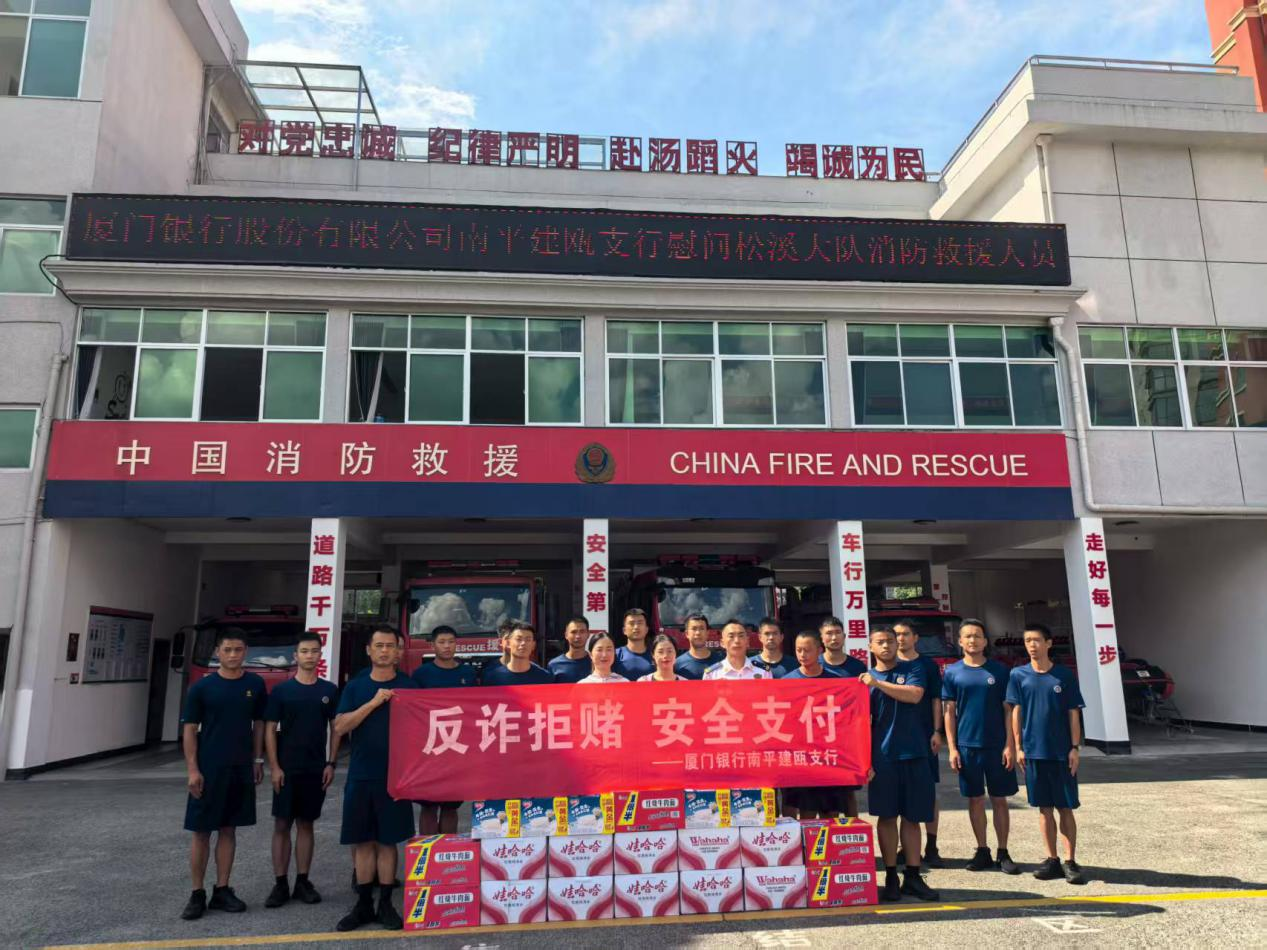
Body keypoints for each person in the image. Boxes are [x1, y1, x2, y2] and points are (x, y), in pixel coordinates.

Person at [333, 625, 417, 932]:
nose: (384, 651)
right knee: (363, 841)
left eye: (390, 646)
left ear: (398, 651)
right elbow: (340, 726)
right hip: (361, 774)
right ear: (369, 650)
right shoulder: (356, 687)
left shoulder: (410, 686)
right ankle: (363, 903)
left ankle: (386, 904)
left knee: (387, 841)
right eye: (378, 646)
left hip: (396, 778)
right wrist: (374, 702)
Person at [179, 628, 267, 920]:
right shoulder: (202, 688)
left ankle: (222, 889)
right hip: (209, 769)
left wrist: (257, 759)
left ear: (245, 652)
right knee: (201, 832)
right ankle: (197, 893)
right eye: (227, 650)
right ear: (217, 652)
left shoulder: (255, 684)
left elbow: (259, 724)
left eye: (238, 650)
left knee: (229, 829)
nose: (232, 655)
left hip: (240, 768)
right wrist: (193, 769)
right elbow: (190, 729)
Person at [262, 632, 341, 909]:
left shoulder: (329, 690)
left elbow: (336, 728)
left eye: (314, 651)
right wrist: (274, 767)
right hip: (286, 769)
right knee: (282, 824)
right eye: (304, 651)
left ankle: (303, 881)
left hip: (315, 768)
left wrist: (331, 762)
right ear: (295, 656)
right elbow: (270, 729)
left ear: (320, 655)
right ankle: (280, 883)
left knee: (307, 824)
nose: (309, 656)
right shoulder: (282, 691)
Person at [860, 626, 938, 902]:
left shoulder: (913, 668)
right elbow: (860, 724)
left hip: (915, 753)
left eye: (890, 641)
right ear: (870, 647)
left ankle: (913, 876)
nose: (886, 646)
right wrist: (864, 760)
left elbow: (914, 695)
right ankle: (891, 875)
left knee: (913, 817)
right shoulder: (863, 682)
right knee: (886, 817)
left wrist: (878, 684)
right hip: (882, 758)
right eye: (880, 642)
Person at [1006, 622, 1087, 885]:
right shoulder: (1018, 675)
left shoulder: (1064, 675)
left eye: (1037, 640)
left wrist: (1074, 747)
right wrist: (1019, 747)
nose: (1032, 645)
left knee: (1065, 807)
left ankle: (1070, 861)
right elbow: (1016, 712)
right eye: (1027, 640)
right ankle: (1052, 859)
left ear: (1049, 643)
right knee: (1044, 808)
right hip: (1033, 752)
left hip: (1061, 752)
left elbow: (1073, 713)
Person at [942, 619, 1019, 874]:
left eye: (977, 636)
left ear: (985, 641)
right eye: (967, 636)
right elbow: (949, 711)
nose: (972, 640)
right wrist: (952, 748)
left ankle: (1003, 851)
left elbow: (1008, 710)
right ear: (960, 641)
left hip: (997, 746)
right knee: (975, 799)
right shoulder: (952, 672)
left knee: (999, 799)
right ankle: (982, 850)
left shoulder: (1000, 671)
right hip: (967, 746)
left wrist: (1010, 745)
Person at [410, 626, 478, 836]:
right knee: (428, 806)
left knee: (451, 806)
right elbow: (412, 709)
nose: (447, 646)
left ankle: (447, 849)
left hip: (457, 748)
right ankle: (428, 850)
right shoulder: (421, 674)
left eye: (451, 642)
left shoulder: (468, 673)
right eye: (442, 642)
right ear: (433, 645)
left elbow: (475, 708)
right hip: (430, 747)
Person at [895, 621, 944, 868]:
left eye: (905, 634)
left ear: (915, 638)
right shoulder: (886, 664)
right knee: (899, 794)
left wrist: (937, 731)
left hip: (923, 737)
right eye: (896, 634)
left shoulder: (928, 665)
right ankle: (904, 847)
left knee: (928, 792)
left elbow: (936, 699)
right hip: (895, 741)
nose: (900, 638)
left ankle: (932, 846)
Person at [782, 631, 844, 820]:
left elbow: (845, 720)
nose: (802, 654)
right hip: (800, 758)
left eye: (807, 650)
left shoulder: (835, 681)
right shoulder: (786, 682)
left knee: (830, 814)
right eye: (798, 650)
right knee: (806, 813)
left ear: (819, 650)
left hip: (828, 757)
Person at [818, 615, 865, 818]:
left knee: (848, 792)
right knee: (825, 794)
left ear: (844, 636)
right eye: (829, 633)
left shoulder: (857, 667)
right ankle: (827, 835)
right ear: (821, 638)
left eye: (837, 633)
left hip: (847, 737)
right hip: (820, 736)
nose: (834, 637)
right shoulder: (815, 664)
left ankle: (853, 834)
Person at [480, 622, 556, 685]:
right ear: (508, 643)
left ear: (533, 645)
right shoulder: (493, 677)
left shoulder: (545, 677)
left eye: (528, 639)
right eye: (518, 639)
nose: (523, 643)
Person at [703, 620, 767, 680]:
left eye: (741, 636)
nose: (737, 641)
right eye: (731, 636)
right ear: (722, 643)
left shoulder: (763, 671)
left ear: (747, 642)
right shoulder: (712, 675)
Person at [673, 613, 721, 680]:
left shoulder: (720, 661)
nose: (698, 633)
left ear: (707, 633)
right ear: (687, 634)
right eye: (694, 629)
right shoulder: (677, 665)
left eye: (702, 628)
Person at [547, 617, 592, 683]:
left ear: (588, 634)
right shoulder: (554, 665)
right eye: (573, 632)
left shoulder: (596, 662)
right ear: (566, 635)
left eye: (582, 632)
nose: (578, 636)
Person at [613, 609, 654, 680]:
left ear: (646, 629)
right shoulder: (615, 655)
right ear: (624, 630)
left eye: (640, 623)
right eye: (631, 623)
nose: (636, 627)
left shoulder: (655, 655)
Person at [479, 618, 516, 683]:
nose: (512, 642)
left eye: (517, 639)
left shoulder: (533, 670)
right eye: (508, 638)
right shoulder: (489, 671)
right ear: (500, 641)